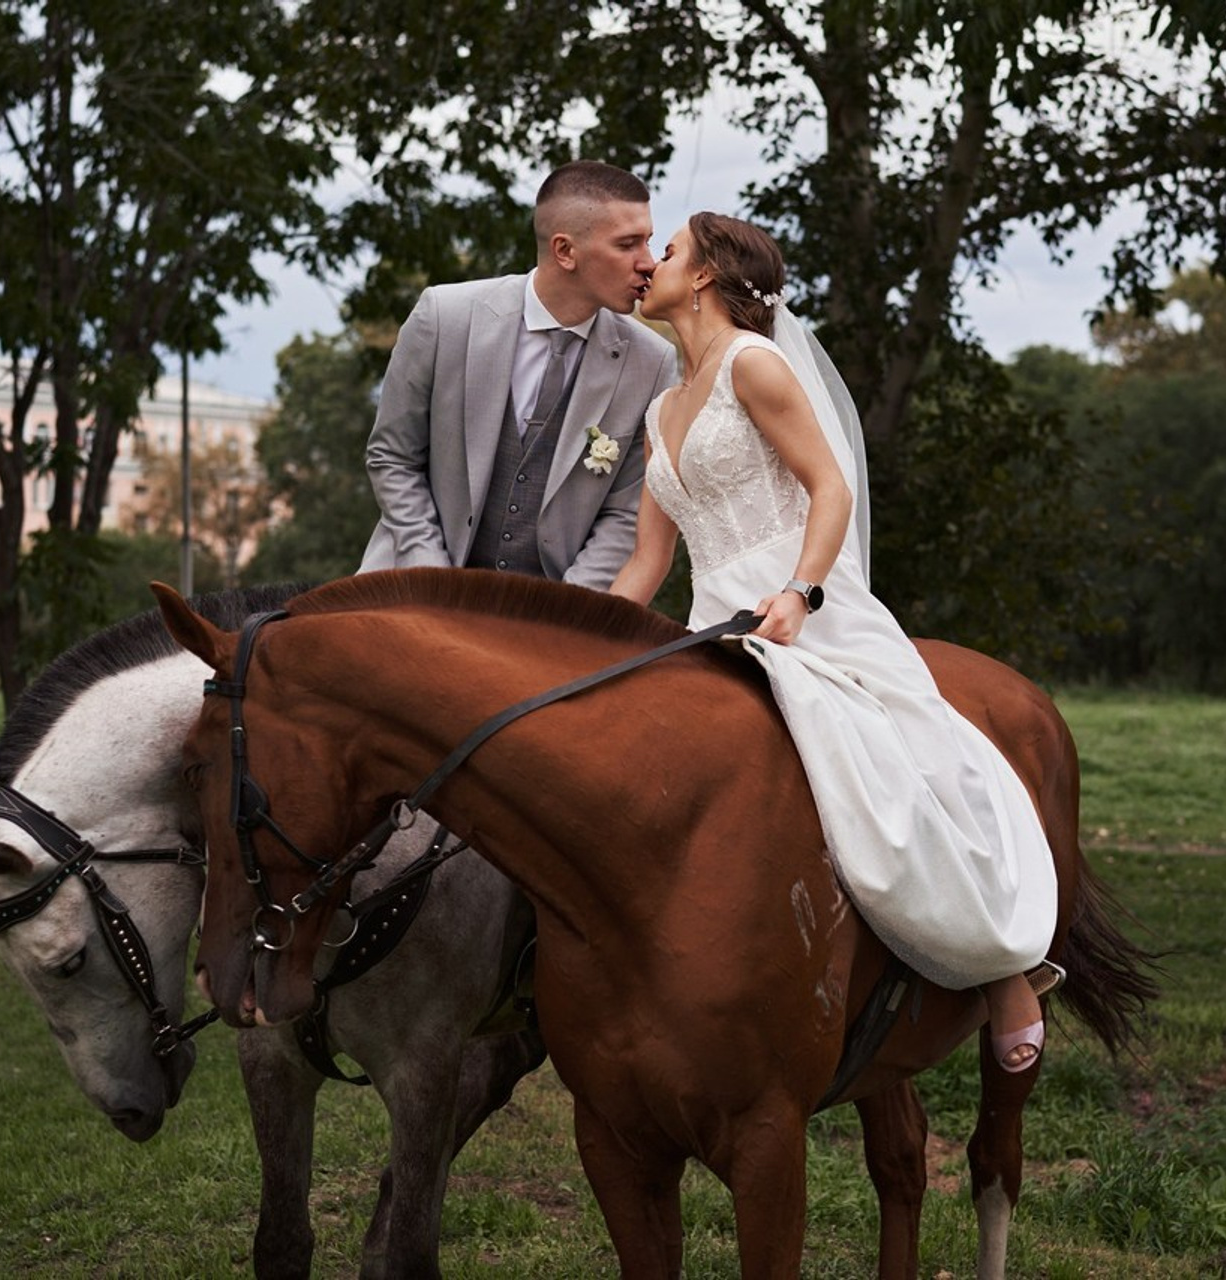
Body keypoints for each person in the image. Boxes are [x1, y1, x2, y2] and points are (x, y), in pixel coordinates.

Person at [610, 212, 1061, 1072]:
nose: (649, 266)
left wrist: (801, 593)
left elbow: (830, 488)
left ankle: (1006, 962)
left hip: (805, 605)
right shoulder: (660, 406)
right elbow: (647, 560)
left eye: (666, 253)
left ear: (704, 276)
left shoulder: (757, 365)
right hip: (715, 620)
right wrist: (582, 638)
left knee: (903, 760)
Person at [357, 160, 679, 589]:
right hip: (416, 589)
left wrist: (566, 614)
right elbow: (393, 457)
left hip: (550, 618)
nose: (648, 264)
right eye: (627, 245)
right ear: (565, 251)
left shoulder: (652, 361)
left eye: (649, 242)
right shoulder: (445, 317)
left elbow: (624, 513)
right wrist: (431, 574)